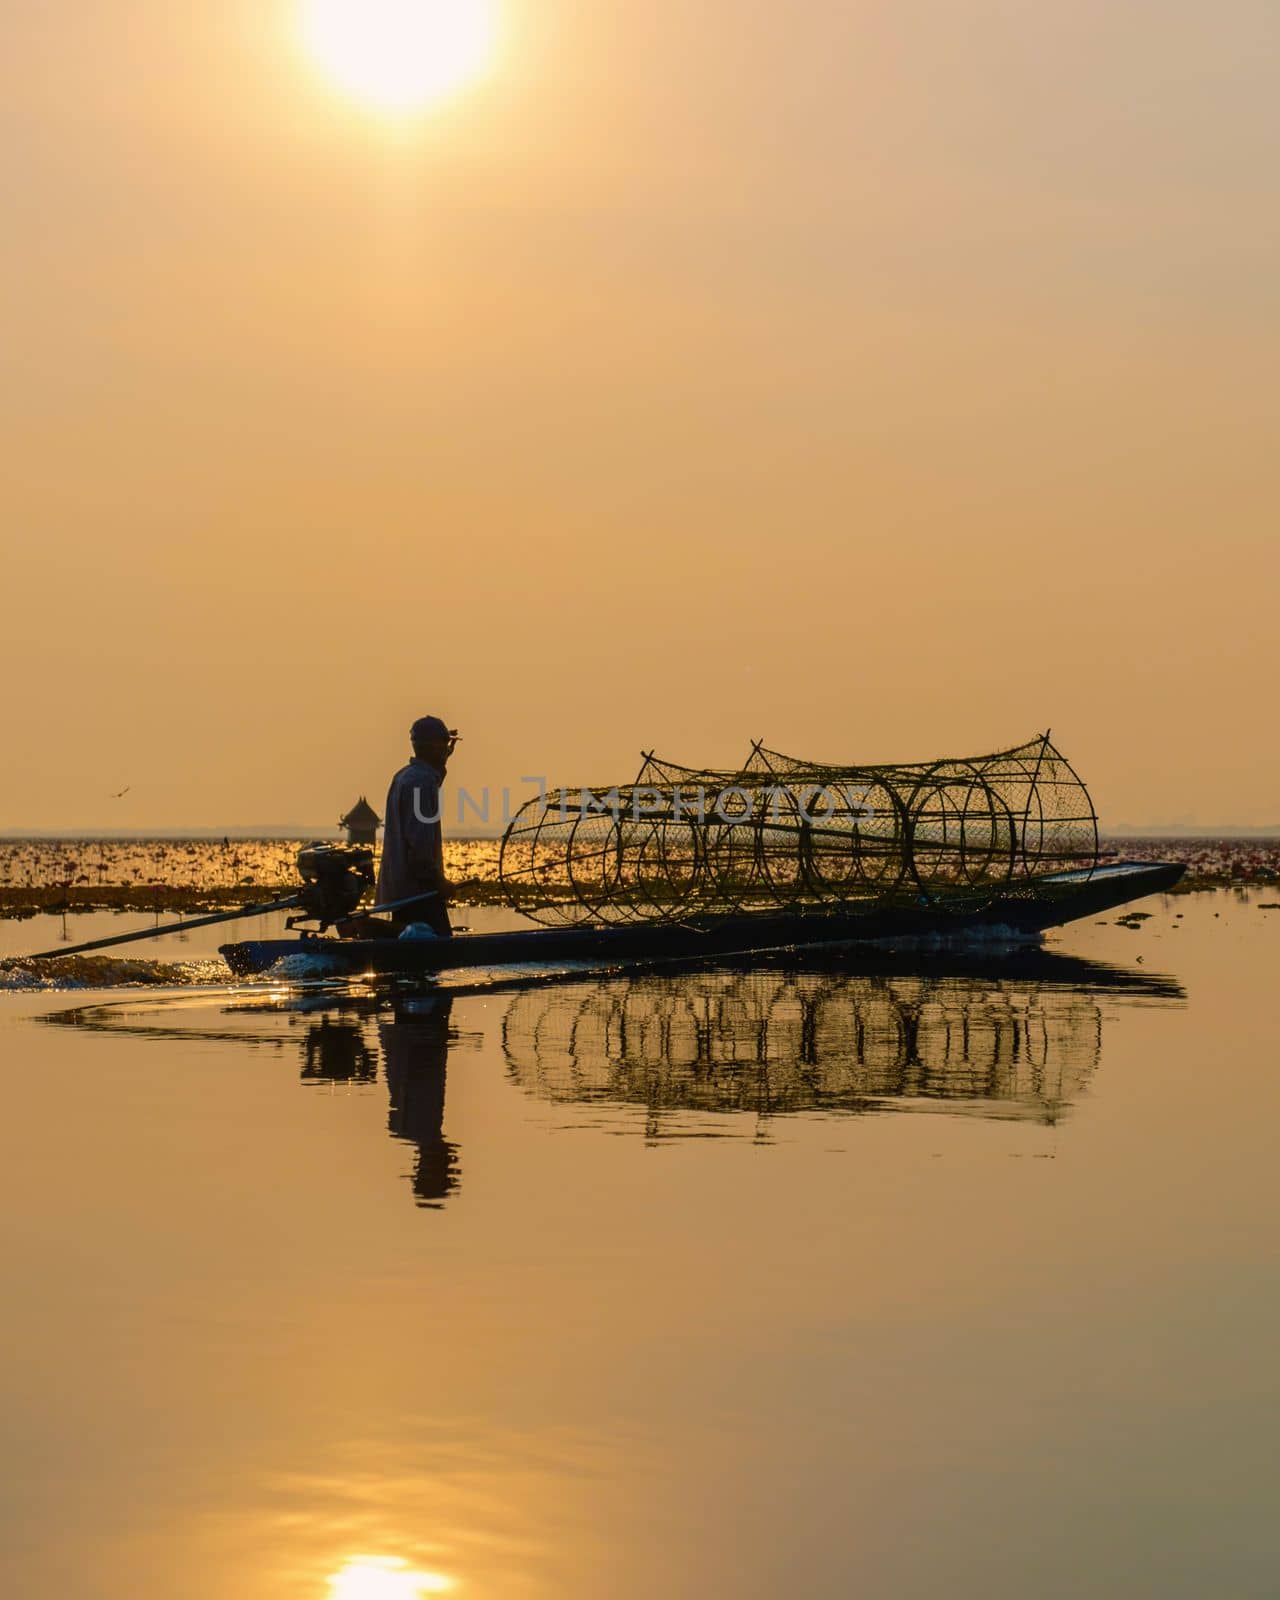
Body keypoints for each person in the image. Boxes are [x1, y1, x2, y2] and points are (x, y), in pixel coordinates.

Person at [375, 714, 459, 937]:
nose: (446, 749)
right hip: (420, 893)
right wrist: (439, 881)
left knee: (407, 957)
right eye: (444, 743)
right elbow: (419, 847)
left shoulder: (405, 776)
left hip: (403, 892)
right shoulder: (421, 783)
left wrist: (443, 765)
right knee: (440, 953)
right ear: (432, 745)